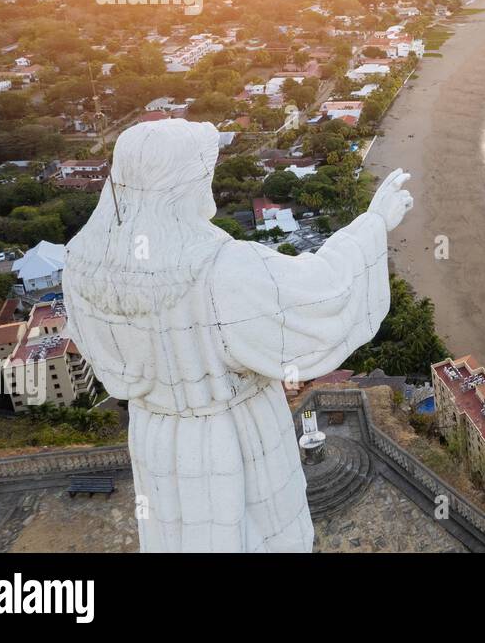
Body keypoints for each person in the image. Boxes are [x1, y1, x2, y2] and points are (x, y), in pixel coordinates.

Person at [62, 119, 412, 552]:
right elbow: (319, 290)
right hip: (232, 433)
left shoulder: (81, 266)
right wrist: (374, 222)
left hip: (156, 438)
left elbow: (100, 358)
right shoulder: (220, 269)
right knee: (257, 535)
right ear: (184, 182)